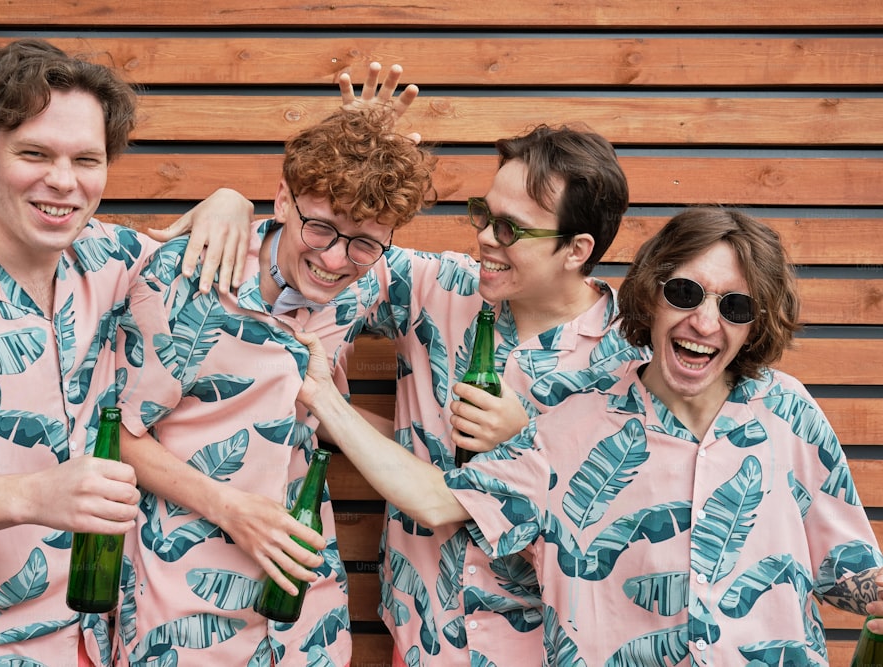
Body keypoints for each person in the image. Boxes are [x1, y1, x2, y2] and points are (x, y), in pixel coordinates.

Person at [185, 63, 641, 664]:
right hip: (419, 639)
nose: (485, 238)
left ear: (576, 250)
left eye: (510, 229)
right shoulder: (439, 287)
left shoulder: (629, 364)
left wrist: (528, 438)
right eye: (484, 213)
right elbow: (321, 238)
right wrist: (234, 202)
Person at [298, 206, 883, 664]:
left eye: (735, 306)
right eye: (685, 293)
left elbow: (849, 573)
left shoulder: (788, 411)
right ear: (653, 292)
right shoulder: (571, 423)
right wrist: (325, 399)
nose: (705, 323)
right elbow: (437, 500)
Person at [0, 39, 255, 666]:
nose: (64, 181)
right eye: (34, 153)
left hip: (100, 643)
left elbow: (256, 261)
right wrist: (30, 496)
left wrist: (230, 199)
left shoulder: (111, 258)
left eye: (87, 159)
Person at [115, 103, 436, 666]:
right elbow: (118, 433)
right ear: (284, 199)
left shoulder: (368, 279)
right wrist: (228, 506)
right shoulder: (183, 278)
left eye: (364, 242)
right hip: (184, 603)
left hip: (305, 607)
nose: (336, 259)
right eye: (321, 228)